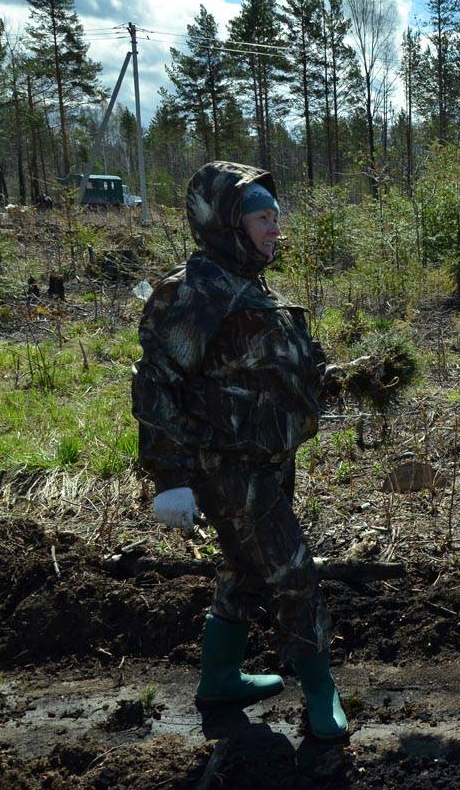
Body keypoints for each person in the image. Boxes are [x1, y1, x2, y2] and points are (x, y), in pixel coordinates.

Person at [131, 161, 347, 741]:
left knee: (245, 573)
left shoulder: (250, 286)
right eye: (261, 217)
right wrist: (169, 478)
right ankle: (321, 692)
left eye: (276, 216)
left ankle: (220, 678)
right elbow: (156, 384)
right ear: (225, 223)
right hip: (225, 465)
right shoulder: (194, 292)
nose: (275, 227)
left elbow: (277, 369)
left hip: (271, 460)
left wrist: (347, 377)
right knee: (292, 570)